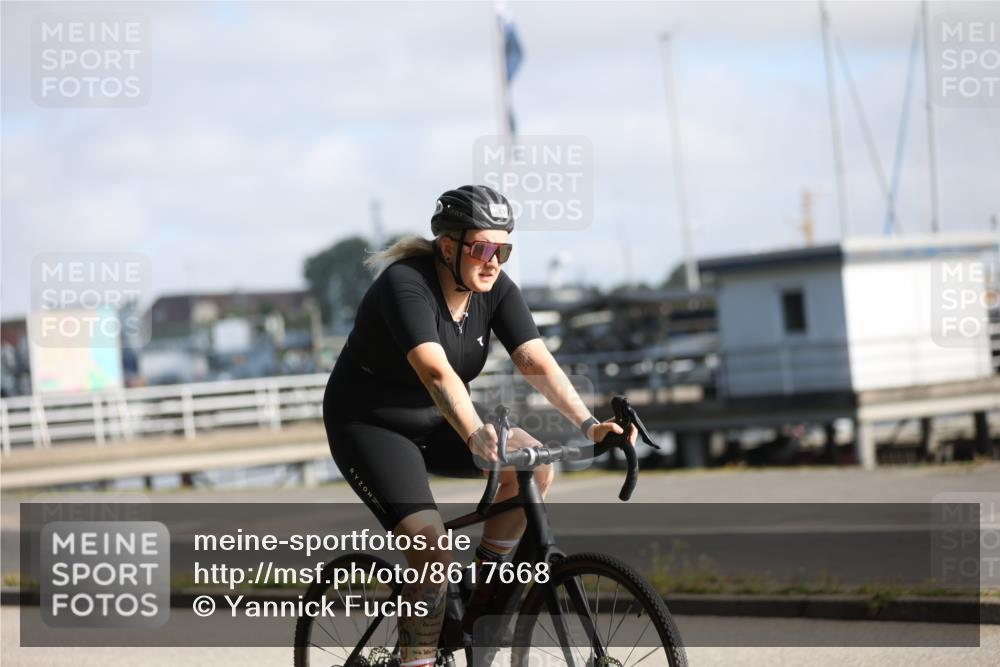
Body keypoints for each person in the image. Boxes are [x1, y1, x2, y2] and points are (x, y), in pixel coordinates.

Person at [322, 184, 636, 667]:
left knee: (533, 468)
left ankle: (486, 608)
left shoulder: (495, 290)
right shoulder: (405, 284)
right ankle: (417, 657)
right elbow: (435, 371)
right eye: (482, 248)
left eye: (503, 249)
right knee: (430, 552)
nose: (493, 261)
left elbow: (535, 360)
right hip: (370, 424)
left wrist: (591, 425)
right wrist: (474, 433)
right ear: (448, 246)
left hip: (439, 415)